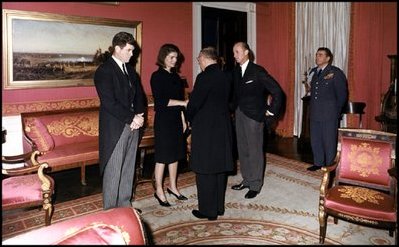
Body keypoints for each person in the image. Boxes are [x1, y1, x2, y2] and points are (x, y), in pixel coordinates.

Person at [94, 31, 146, 210]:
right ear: (117, 48)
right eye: (129, 50)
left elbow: (139, 96)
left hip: (133, 124)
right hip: (116, 127)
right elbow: (109, 103)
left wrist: (139, 116)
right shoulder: (104, 71)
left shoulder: (130, 70)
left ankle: (125, 205)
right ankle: (110, 211)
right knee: (114, 170)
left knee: (128, 168)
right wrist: (132, 117)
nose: (133, 55)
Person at [230, 42, 284, 199]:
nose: (234, 55)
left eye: (237, 51)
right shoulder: (235, 72)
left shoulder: (258, 71)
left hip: (254, 116)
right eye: (234, 52)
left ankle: (255, 184)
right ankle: (247, 180)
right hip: (239, 115)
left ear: (246, 52)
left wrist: (271, 112)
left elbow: (277, 91)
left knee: (254, 150)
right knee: (243, 149)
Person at [186, 47, 234, 221]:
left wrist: (188, 117)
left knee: (205, 170)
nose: (198, 61)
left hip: (206, 128)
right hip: (223, 126)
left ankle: (208, 211)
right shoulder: (225, 76)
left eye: (199, 59)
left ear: (205, 59)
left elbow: (194, 103)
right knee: (219, 168)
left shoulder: (204, 76)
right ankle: (219, 207)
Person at [150, 44, 188, 207]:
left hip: (175, 120)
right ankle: (159, 190)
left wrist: (183, 120)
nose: (174, 61)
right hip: (164, 121)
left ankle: (173, 187)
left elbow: (179, 104)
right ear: (163, 57)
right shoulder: (157, 76)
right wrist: (183, 103)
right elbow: (161, 103)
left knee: (176, 154)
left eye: (176, 58)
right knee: (163, 156)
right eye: (171, 57)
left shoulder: (176, 78)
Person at [306, 47, 348, 171]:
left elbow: (342, 94)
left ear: (328, 58)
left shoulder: (335, 72)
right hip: (315, 112)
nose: (317, 57)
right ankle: (318, 162)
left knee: (329, 140)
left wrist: (337, 111)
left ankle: (330, 166)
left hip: (330, 113)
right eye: (316, 54)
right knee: (316, 139)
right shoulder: (313, 72)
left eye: (320, 55)